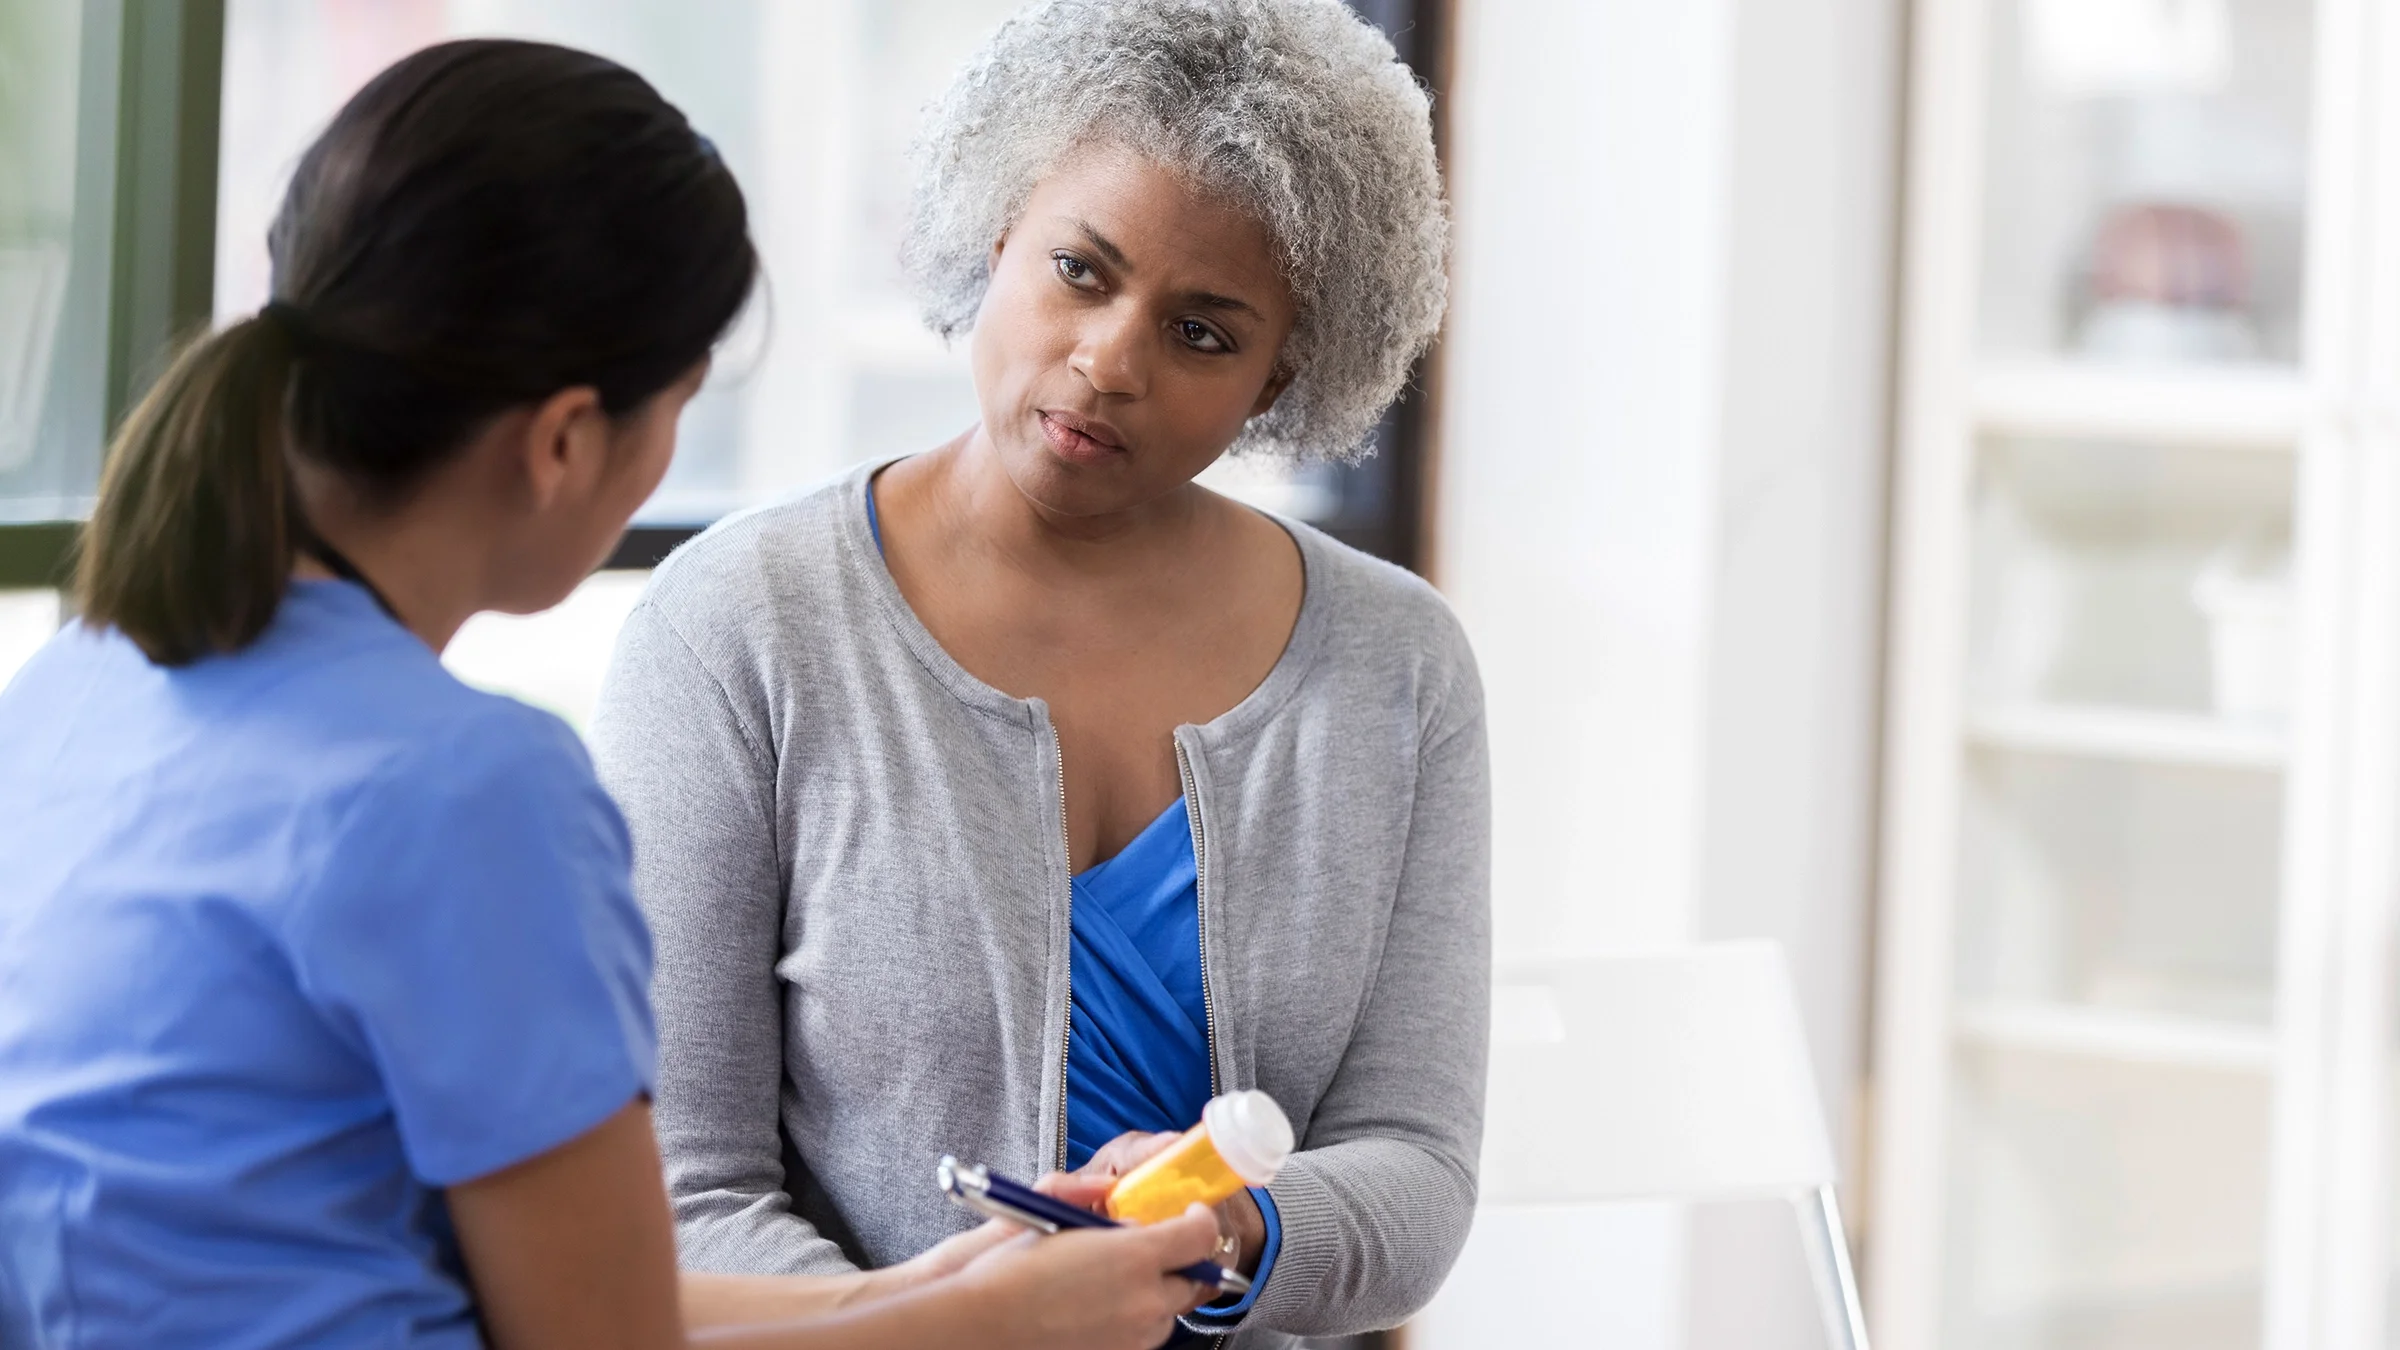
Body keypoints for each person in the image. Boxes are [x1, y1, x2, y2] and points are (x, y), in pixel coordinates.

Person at [0, 38, 1221, 1350]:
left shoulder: (79, 683)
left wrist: (942, 1293)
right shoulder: (467, 786)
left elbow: (542, 1295)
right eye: (677, 409)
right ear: (567, 439)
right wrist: (990, 1333)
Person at [590, 1, 1486, 1344]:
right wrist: (954, 1325)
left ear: (1283, 372)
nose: (1109, 358)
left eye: (1202, 333)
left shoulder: (1399, 666)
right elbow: (679, 1188)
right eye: (1081, 268)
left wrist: (1237, 1218)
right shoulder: (739, 621)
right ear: (998, 230)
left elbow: (1415, 1166)